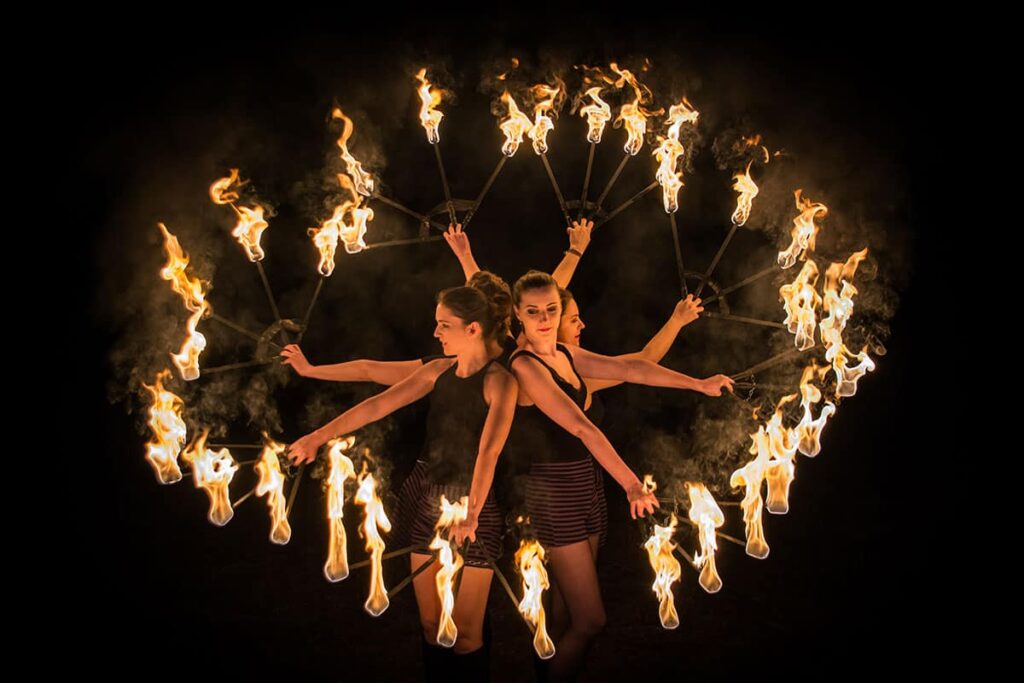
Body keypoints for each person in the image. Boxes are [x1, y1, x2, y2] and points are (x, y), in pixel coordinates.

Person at [507, 270, 733, 681]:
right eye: (533, 311)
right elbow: (581, 427)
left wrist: (698, 384)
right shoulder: (525, 366)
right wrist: (631, 484)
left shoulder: (565, 355)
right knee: (591, 620)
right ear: (517, 314)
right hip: (554, 491)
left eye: (552, 309)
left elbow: (633, 367)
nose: (544, 318)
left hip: (585, 483)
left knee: (565, 609)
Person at [286, 285, 518, 681]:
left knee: (465, 633)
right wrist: (316, 437)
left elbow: (488, 452)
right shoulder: (437, 371)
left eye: (444, 325)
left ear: (473, 329)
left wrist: (472, 515)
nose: (436, 333)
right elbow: (377, 405)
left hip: (473, 504)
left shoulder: (500, 382)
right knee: (432, 626)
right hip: (427, 497)